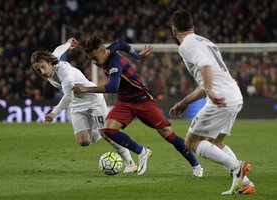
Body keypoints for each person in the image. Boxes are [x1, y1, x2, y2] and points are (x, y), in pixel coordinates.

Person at [73, 36, 203, 176]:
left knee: (167, 133)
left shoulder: (115, 61)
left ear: (103, 51)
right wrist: (137, 55)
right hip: (125, 102)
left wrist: (87, 89)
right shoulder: (110, 50)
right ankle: (142, 152)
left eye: (94, 58)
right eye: (91, 59)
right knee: (107, 131)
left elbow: (112, 87)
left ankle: (196, 166)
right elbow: (120, 43)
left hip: (143, 100)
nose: (94, 62)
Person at [169, 9, 255, 195]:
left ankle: (237, 167)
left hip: (221, 98)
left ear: (173, 31)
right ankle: (246, 183)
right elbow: (206, 79)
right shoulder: (205, 41)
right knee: (214, 142)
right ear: (193, 27)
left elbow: (205, 66)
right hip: (233, 95)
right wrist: (184, 102)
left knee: (192, 141)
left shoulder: (186, 45)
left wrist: (209, 90)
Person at [30, 38, 137, 173]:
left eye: (42, 67)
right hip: (76, 105)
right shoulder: (51, 61)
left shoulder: (65, 74)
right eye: (37, 70)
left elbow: (68, 96)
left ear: (49, 63)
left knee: (108, 134)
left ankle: (130, 163)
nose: (42, 72)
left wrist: (54, 113)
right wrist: (68, 44)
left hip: (93, 99)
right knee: (83, 141)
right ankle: (99, 130)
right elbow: (58, 50)